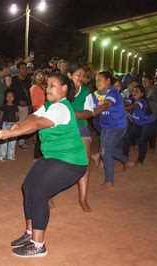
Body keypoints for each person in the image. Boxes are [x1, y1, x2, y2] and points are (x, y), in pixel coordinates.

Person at [0, 73, 88, 257]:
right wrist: (17, 124)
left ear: (64, 89)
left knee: (40, 193)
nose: (48, 88)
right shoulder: (49, 106)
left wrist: (12, 134)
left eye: (53, 85)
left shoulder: (61, 108)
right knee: (28, 187)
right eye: (47, 85)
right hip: (54, 157)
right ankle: (30, 234)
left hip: (72, 162)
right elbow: (33, 116)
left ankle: (38, 245)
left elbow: (38, 123)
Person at [92, 71, 134, 190]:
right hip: (106, 126)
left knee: (106, 150)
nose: (97, 82)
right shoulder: (95, 94)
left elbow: (107, 104)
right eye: (96, 80)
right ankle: (126, 162)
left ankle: (109, 181)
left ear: (108, 81)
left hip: (117, 126)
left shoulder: (113, 93)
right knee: (107, 149)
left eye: (100, 80)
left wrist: (95, 111)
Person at [67, 64, 95, 212]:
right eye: (78, 75)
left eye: (83, 76)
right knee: (57, 161)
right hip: (63, 129)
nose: (81, 78)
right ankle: (49, 194)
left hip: (80, 127)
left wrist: (71, 113)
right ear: (69, 75)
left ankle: (83, 199)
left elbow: (89, 113)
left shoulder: (86, 92)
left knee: (85, 162)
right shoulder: (62, 89)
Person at [122, 85, 156, 164]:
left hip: (149, 123)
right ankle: (124, 157)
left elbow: (133, 106)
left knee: (142, 140)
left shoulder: (141, 101)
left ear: (142, 94)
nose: (134, 93)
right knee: (127, 137)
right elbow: (126, 103)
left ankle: (140, 160)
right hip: (138, 123)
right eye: (133, 91)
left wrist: (122, 107)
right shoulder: (131, 99)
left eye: (137, 91)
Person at [10, 62, 32, 150]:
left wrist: (29, 103)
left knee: (23, 124)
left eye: (25, 68)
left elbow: (30, 93)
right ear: (18, 70)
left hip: (25, 105)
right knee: (14, 124)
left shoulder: (28, 80)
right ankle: (12, 142)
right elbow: (9, 93)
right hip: (14, 105)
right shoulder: (13, 80)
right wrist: (17, 101)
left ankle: (21, 142)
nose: (25, 70)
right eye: (22, 68)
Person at [0, 90, 19, 161]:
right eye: (8, 97)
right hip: (5, 124)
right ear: (5, 98)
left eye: (11, 97)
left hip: (13, 125)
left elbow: (16, 116)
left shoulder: (15, 107)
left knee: (12, 141)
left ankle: (11, 155)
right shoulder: (4, 106)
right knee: (4, 141)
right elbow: (1, 115)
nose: (9, 98)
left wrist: (17, 123)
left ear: (14, 98)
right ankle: (2, 155)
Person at [29, 70, 46, 160]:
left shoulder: (41, 87)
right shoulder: (35, 87)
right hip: (40, 113)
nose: (40, 77)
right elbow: (34, 104)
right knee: (41, 135)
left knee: (41, 134)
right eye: (38, 75)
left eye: (42, 75)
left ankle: (39, 154)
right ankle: (37, 155)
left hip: (43, 112)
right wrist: (36, 116)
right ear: (35, 76)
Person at [144, 75, 157, 152]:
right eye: (143, 81)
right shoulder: (148, 89)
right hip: (151, 114)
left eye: (145, 81)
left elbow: (148, 99)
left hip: (155, 114)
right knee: (150, 130)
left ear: (151, 80)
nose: (143, 82)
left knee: (152, 131)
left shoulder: (154, 89)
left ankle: (151, 147)